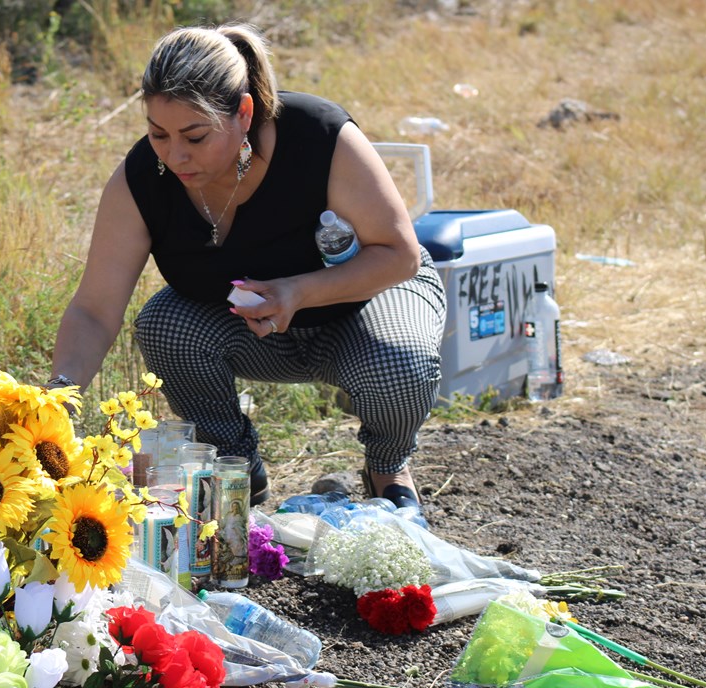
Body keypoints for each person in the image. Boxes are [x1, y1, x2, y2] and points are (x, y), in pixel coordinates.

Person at [48, 24, 445, 509]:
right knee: (164, 325)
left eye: (195, 135)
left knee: (398, 368)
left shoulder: (317, 136)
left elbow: (398, 254)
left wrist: (297, 291)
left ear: (244, 112)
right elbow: (94, 310)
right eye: (158, 133)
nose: (175, 155)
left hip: (367, 305)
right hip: (257, 333)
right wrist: (54, 406)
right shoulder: (143, 180)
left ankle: (387, 466)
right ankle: (236, 470)